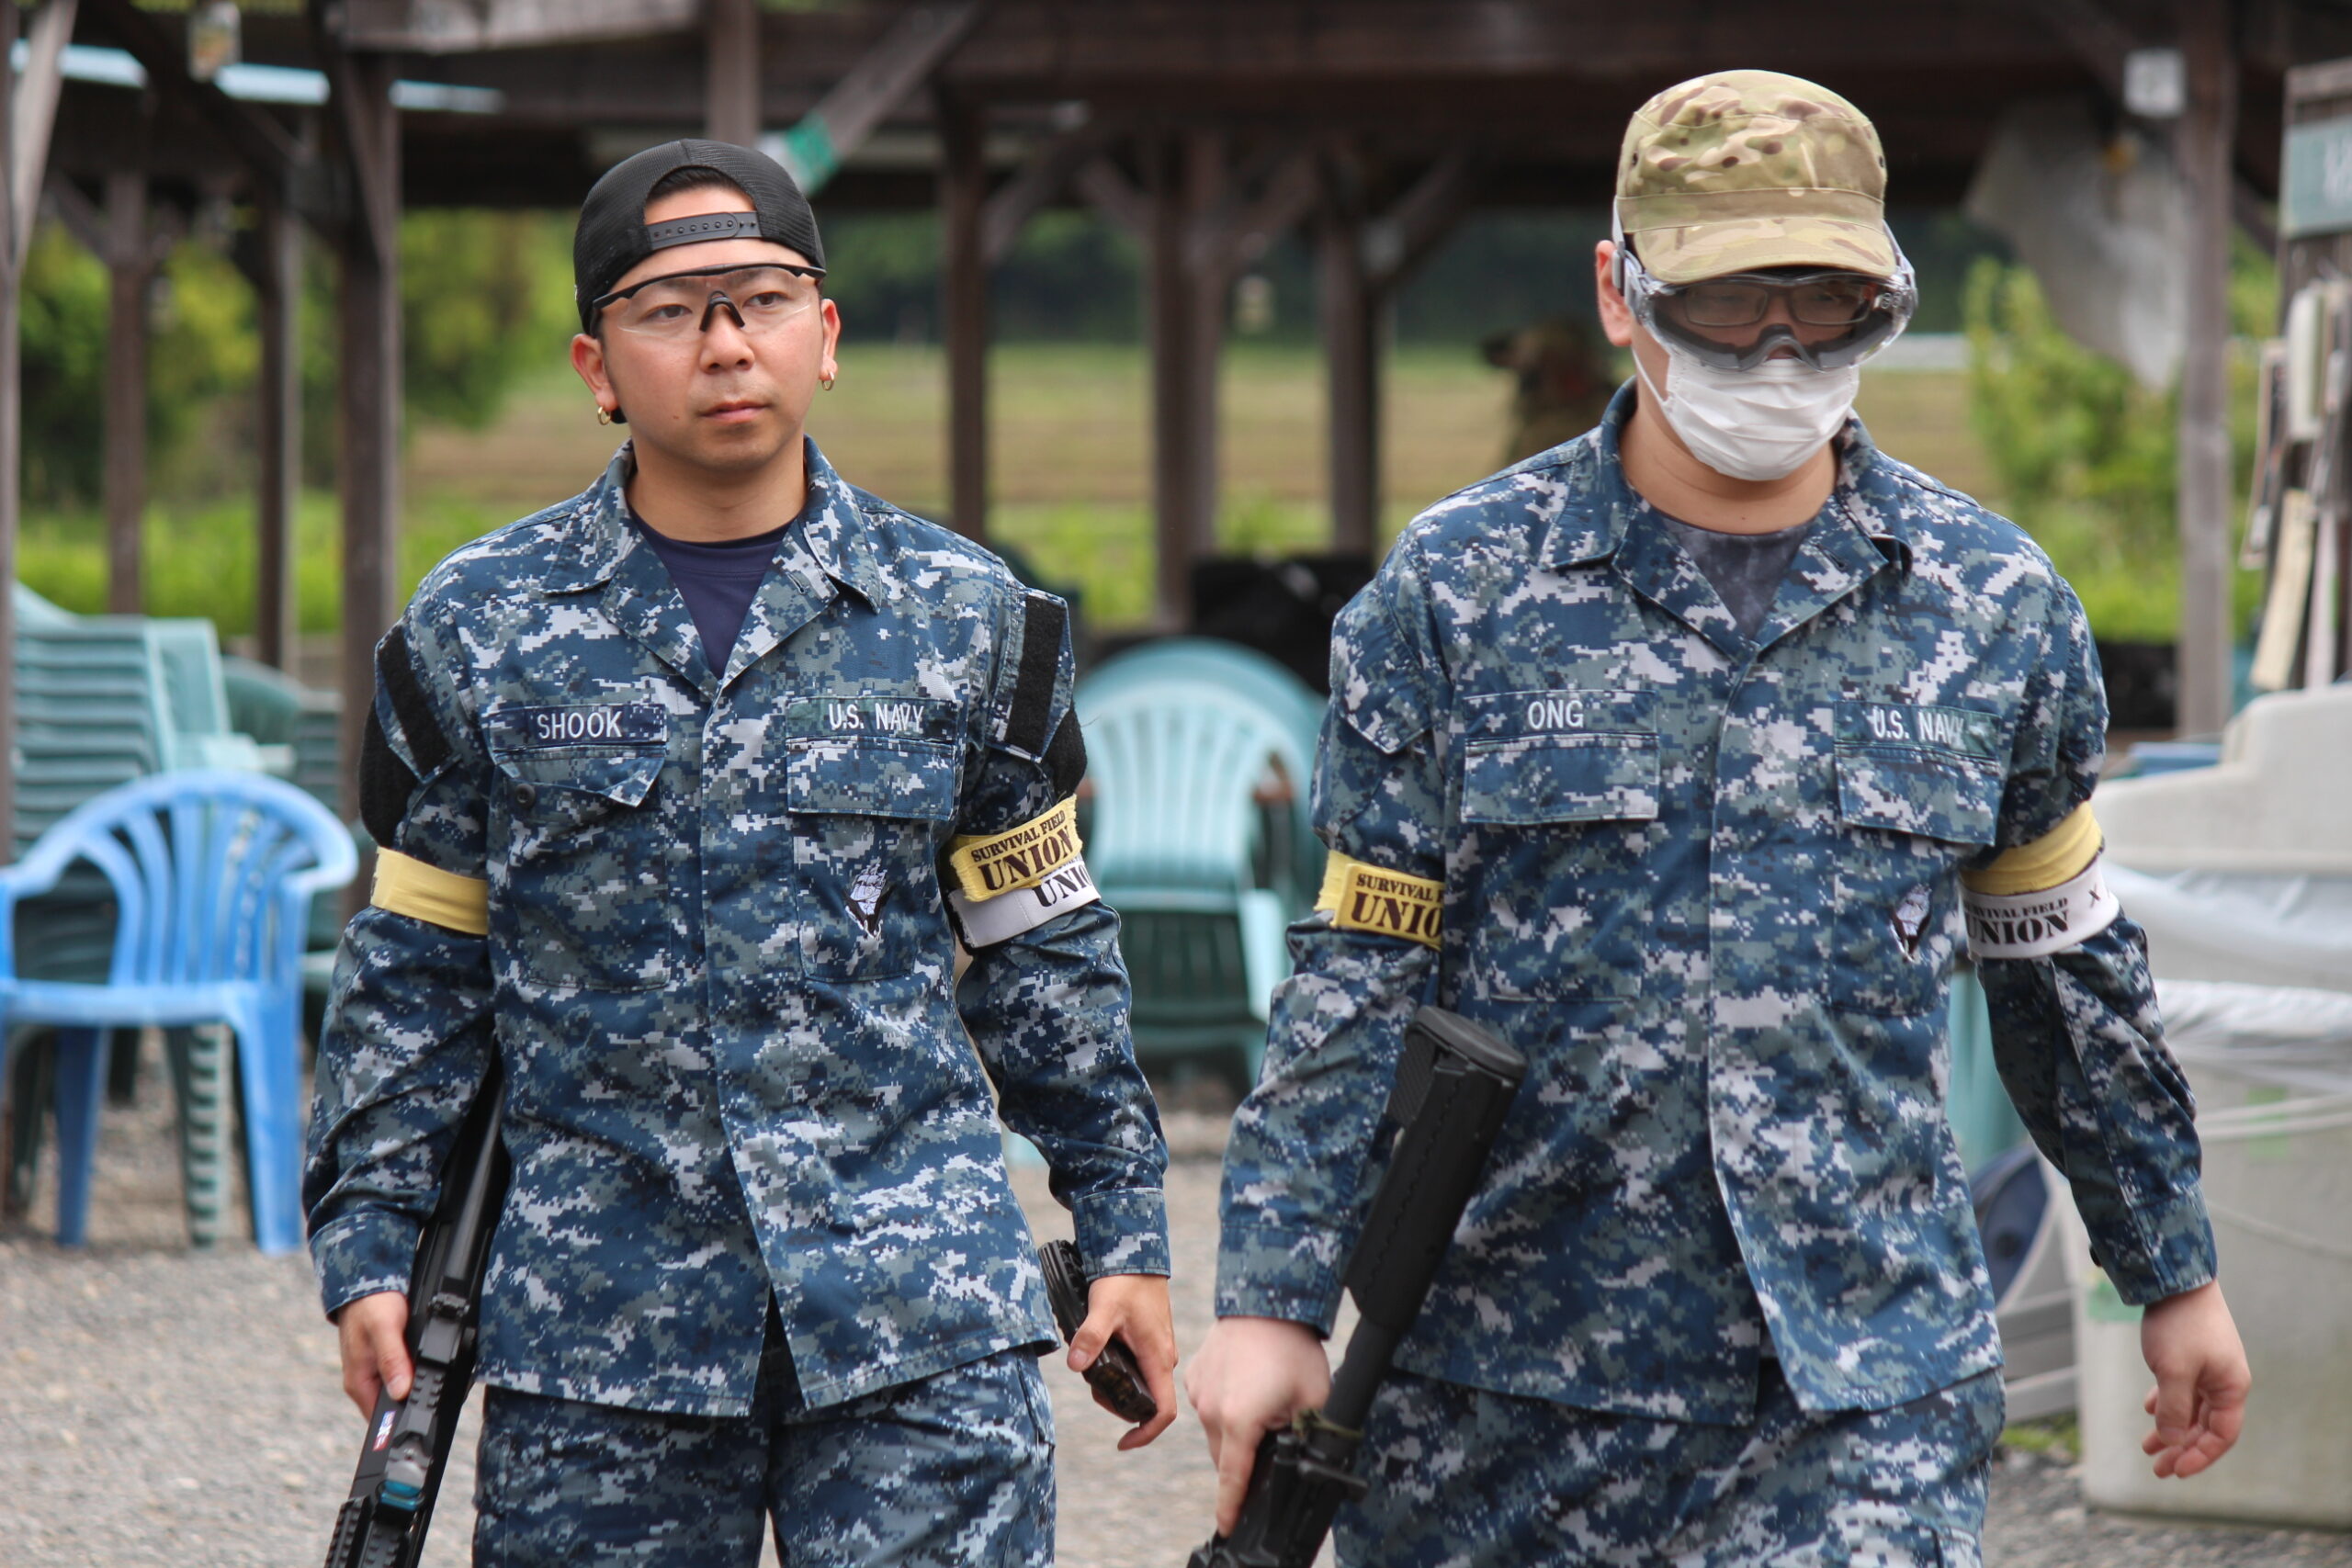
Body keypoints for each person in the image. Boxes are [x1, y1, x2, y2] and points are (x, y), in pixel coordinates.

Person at [1187, 71, 2249, 1566]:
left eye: (1826, 304)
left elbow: (2063, 973)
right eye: (1730, 301)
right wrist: (1272, 1300)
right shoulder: (1456, 596)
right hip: (1502, 1398)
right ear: (1618, 292)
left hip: (1857, 1394)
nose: (1778, 348)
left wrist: (2173, 1270)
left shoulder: (1995, 610)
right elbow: (1360, 969)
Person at [304, 139, 1176, 1567]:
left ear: (823, 336)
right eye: (669, 311)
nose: (724, 344)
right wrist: (368, 1248)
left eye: (762, 300)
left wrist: (1126, 1232)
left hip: (920, 1327)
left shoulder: (971, 623)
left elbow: (1046, 957)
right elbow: (416, 972)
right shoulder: (481, 631)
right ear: (597, 368)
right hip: (604, 1342)